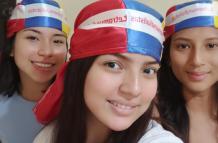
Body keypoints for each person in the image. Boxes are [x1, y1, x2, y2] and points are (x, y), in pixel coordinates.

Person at [33, 0, 183, 143]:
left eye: (149, 70)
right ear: (80, 71)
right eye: (113, 65)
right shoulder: (50, 136)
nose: (133, 89)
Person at [0, 0, 69, 142]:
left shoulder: (79, 106)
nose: (46, 51)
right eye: (33, 38)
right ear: (11, 47)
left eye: (57, 41)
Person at [157, 1, 218, 143]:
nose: (196, 60)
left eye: (211, 45)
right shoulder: (149, 118)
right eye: (183, 46)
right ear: (168, 56)